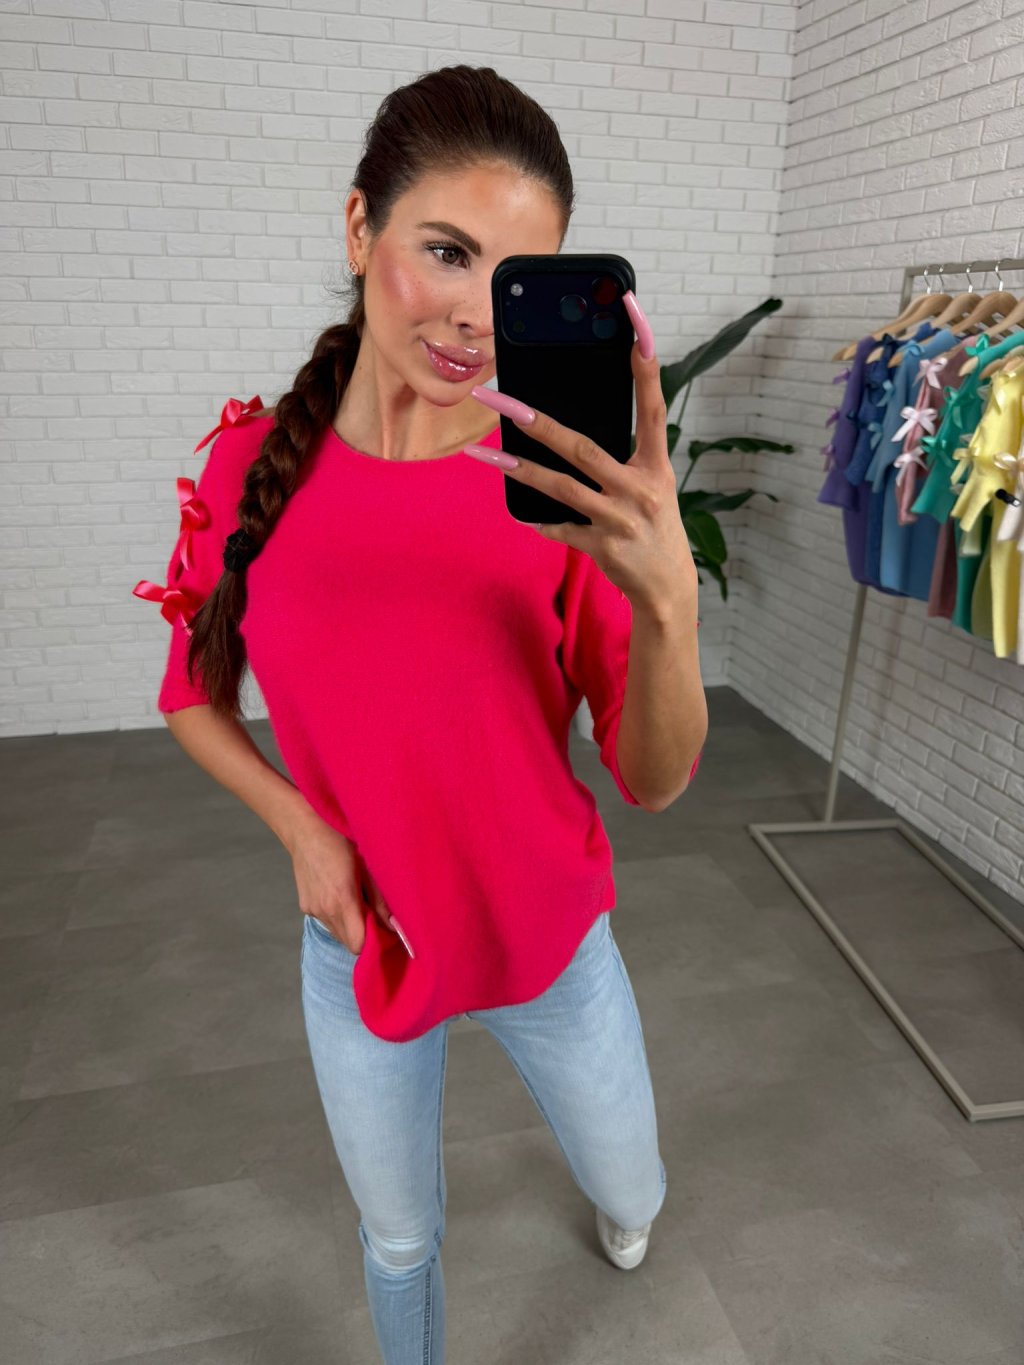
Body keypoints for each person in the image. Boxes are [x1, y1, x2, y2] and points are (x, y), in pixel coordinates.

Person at [138, 64, 705, 1365]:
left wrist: (669, 604)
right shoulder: (252, 466)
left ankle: (627, 1204)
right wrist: (301, 827)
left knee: (632, 1182)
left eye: (515, 278)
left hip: (548, 938)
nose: (472, 316)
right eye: (445, 251)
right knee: (397, 1240)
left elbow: (655, 777)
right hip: (363, 943)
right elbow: (189, 693)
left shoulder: (562, 492)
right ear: (360, 229)